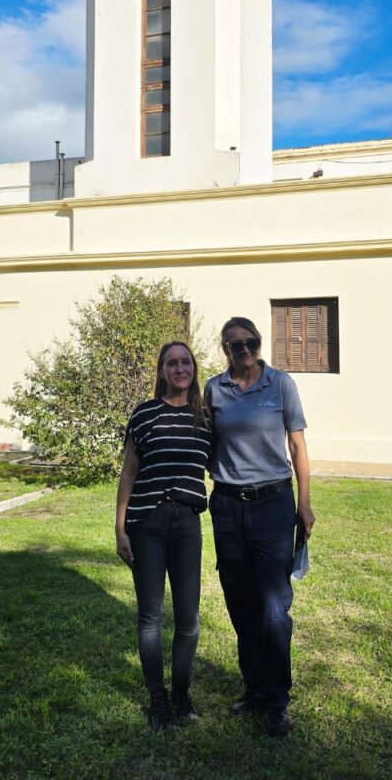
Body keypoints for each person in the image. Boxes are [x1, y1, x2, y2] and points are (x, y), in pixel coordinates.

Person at [204, 316, 315, 738]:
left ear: (260, 343)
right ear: (225, 349)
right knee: (239, 602)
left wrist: (303, 504)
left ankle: (275, 699)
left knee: (272, 606)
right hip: (228, 506)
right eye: (235, 345)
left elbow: (298, 445)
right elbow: (206, 442)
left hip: (273, 503)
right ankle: (252, 687)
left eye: (250, 342)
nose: (244, 349)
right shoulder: (215, 389)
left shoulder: (281, 384)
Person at [115, 341, 212, 732]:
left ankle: (181, 695)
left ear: (193, 369)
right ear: (161, 371)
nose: (179, 368)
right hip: (147, 525)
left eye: (185, 362)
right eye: (171, 363)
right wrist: (120, 527)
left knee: (188, 619)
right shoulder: (144, 414)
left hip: (187, 524)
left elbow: (223, 463)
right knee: (150, 617)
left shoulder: (205, 417)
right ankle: (157, 699)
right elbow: (128, 473)